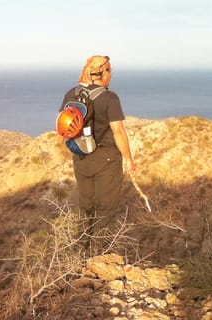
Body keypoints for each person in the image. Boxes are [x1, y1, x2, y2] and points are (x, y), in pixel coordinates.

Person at [60, 55, 135, 251]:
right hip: (106, 160)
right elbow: (118, 132)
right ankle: (99, 254)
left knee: (85, 206)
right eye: (110, 71)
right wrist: (129, 160)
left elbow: (63, 126)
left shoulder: (72, 94)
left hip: (81, 157)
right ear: (104, 73)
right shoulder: (109, 98)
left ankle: (81, 252)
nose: (111, 75)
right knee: (106, 208)